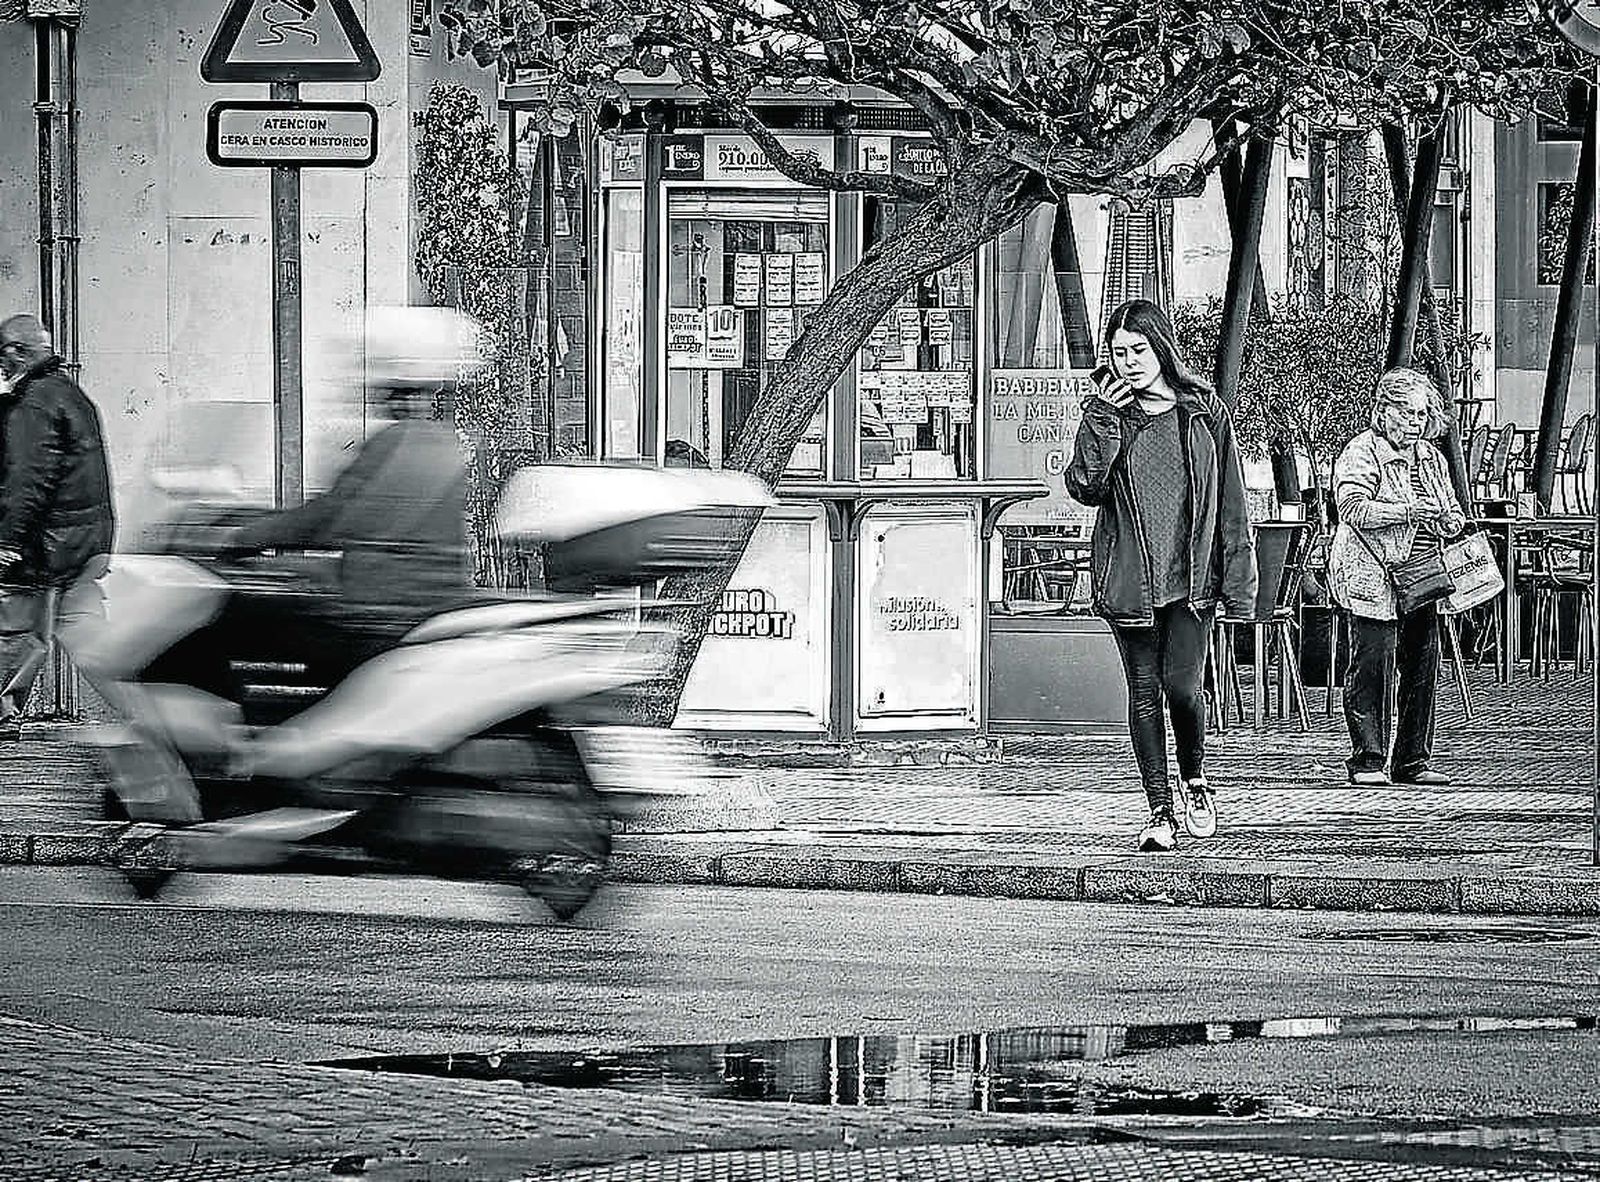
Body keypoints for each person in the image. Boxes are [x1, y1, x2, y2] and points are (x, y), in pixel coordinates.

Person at [1065, 299, 1257, 853]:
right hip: (1132, 577)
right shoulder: (1108, 416)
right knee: (1144, 691)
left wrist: (1238, 583)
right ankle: (1158, 810)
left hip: (1191, 579)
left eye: (1138, 350)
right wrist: (1101, 419)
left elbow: (1231, 502)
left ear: (1161, 349)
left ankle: (1194, 777)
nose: (1128, 362)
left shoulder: (1203, 412)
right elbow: (1085, 487)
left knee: (1182, 686)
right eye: (1117, 353)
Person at [1327, 367, 1466, 787]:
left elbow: (1453, 508)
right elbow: (1352, 509)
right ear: (1383, 411)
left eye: (1421, 415)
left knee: (1423, 664)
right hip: (1373, 575)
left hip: (1423, 575)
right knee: (1374, 664)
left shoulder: (1431, 457)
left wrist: (1449, 520)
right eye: (1406, 413)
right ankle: (1367, 759)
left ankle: (1413, 760)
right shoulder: (1362, 452)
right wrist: (1408, 512)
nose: (1415, 423)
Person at [0, 314, 116, 742]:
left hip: (47, 544)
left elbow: (26, 481)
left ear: (18, 351)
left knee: (14, 628)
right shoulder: (70, 393)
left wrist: (6, 540)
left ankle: (3, 712)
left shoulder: (35, 402)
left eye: (3, 356)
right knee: (83, 634)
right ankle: (150, 703)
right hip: (83, 541)